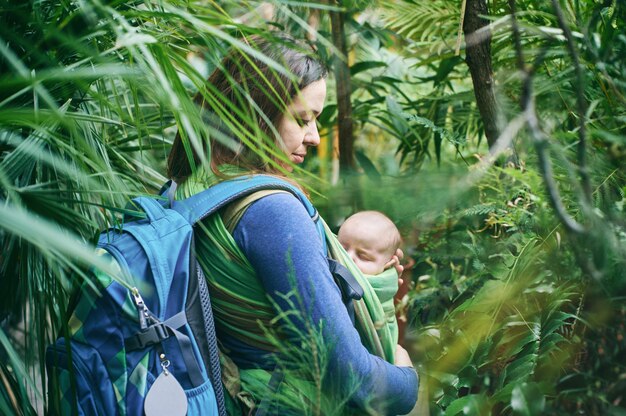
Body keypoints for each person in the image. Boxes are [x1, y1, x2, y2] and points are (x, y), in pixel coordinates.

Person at [167, 34, 418, 415]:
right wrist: (408, 379)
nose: (315, 137)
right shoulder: (271, 211)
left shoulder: (191, 186)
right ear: (255, 112)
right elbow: (351, 378)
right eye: (302, 119)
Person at [338, 211, 403, 347]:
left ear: (388, 264)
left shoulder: (381, 283)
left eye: (363, 256)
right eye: (342, 248)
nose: (348, 257)